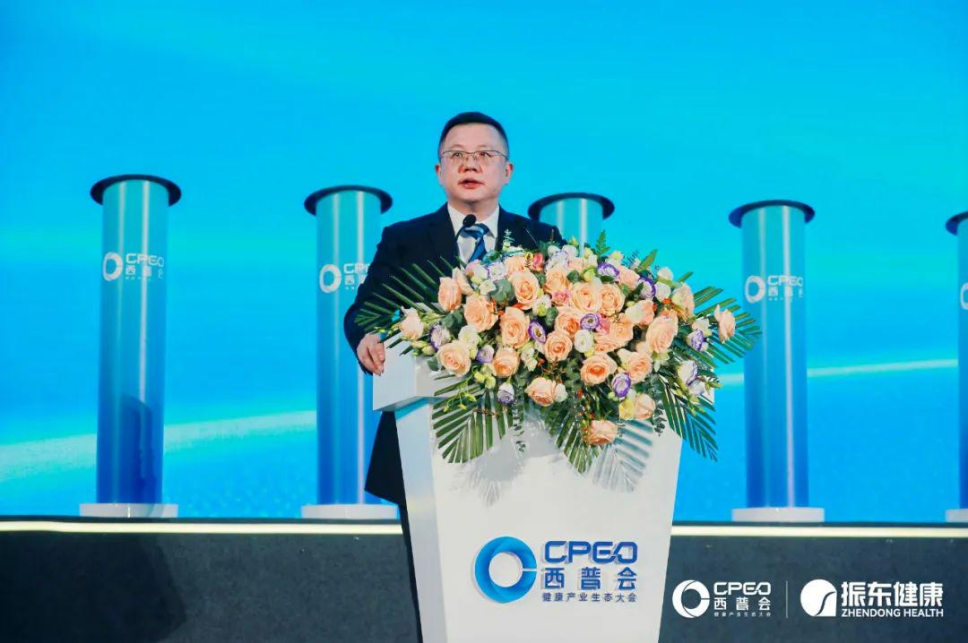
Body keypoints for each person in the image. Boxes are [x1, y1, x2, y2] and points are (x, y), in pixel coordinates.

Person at [343, 111, 561, 640]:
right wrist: (367, 336)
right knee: (441, 592)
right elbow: (365, 311)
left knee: (521, 584)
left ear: (507, 171)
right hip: (427, 444)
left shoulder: (541, 238)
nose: (470, 164)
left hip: (525, 440)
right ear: (439, 170)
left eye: (484, 155)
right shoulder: (404, 238)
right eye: (457, 155)